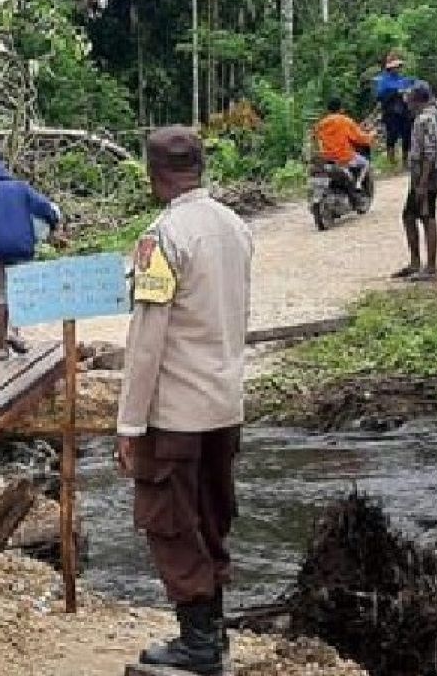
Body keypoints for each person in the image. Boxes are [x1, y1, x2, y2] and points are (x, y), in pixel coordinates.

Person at [115, 126, 253, 675]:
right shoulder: (235, 227)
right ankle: (212, 633)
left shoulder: (161, 238)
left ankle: (198, 643)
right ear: (199, 166)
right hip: (224, 402)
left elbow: (147, 339)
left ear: (153, 175)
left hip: (175, 411)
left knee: (170, 522)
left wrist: (129, 425)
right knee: (212, 516)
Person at [0, 153, 61, 358]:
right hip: (21, 246)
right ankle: (15, 333)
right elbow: (45, 208)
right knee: (20, 290)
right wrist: (53, 224)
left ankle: (2, 347)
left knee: (0, 293)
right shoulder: (20, 188)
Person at [391, 82, 437, 282]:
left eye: (410, 99)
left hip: (427, 175)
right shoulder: (432, 116)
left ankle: (429, 267)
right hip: (427, 174)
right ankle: (417, 263)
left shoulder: (424, 119)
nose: (407, 103)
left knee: (426, 215)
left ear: (417, 100)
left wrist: (422, 183)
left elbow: (429, 153)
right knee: (412, 215)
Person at [314, 97, 374, 208]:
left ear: (328, 110)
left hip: (326, 158)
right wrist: (370, 137)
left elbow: (317, 140)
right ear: (341, 109)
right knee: (365, 163)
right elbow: (359, 137)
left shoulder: (321, 124)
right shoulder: (345, 121)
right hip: (344, 157)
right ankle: (358, 185)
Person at [373, 53, 416, 166]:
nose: (398, 69)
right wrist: (396, 92)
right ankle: (391, 161)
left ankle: (405, 160)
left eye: (399, 67)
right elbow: (380, 95)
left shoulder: (403, 79)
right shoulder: (383, 80)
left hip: (404, 110)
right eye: (396, 67)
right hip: (391, 112)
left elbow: (412, 87)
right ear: (390, 68)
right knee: (392, 135)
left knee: (407, 134)